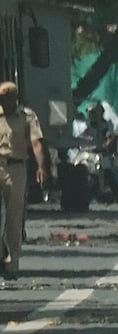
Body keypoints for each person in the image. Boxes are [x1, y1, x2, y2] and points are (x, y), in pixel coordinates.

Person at [0, 82, 49, 281]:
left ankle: (12, 265)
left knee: (14, 217)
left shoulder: (27, 116)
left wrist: (41, 167)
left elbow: (36, 143)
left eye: (8, 98)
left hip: (16, 168)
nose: (5, 102)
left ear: (15, 98)